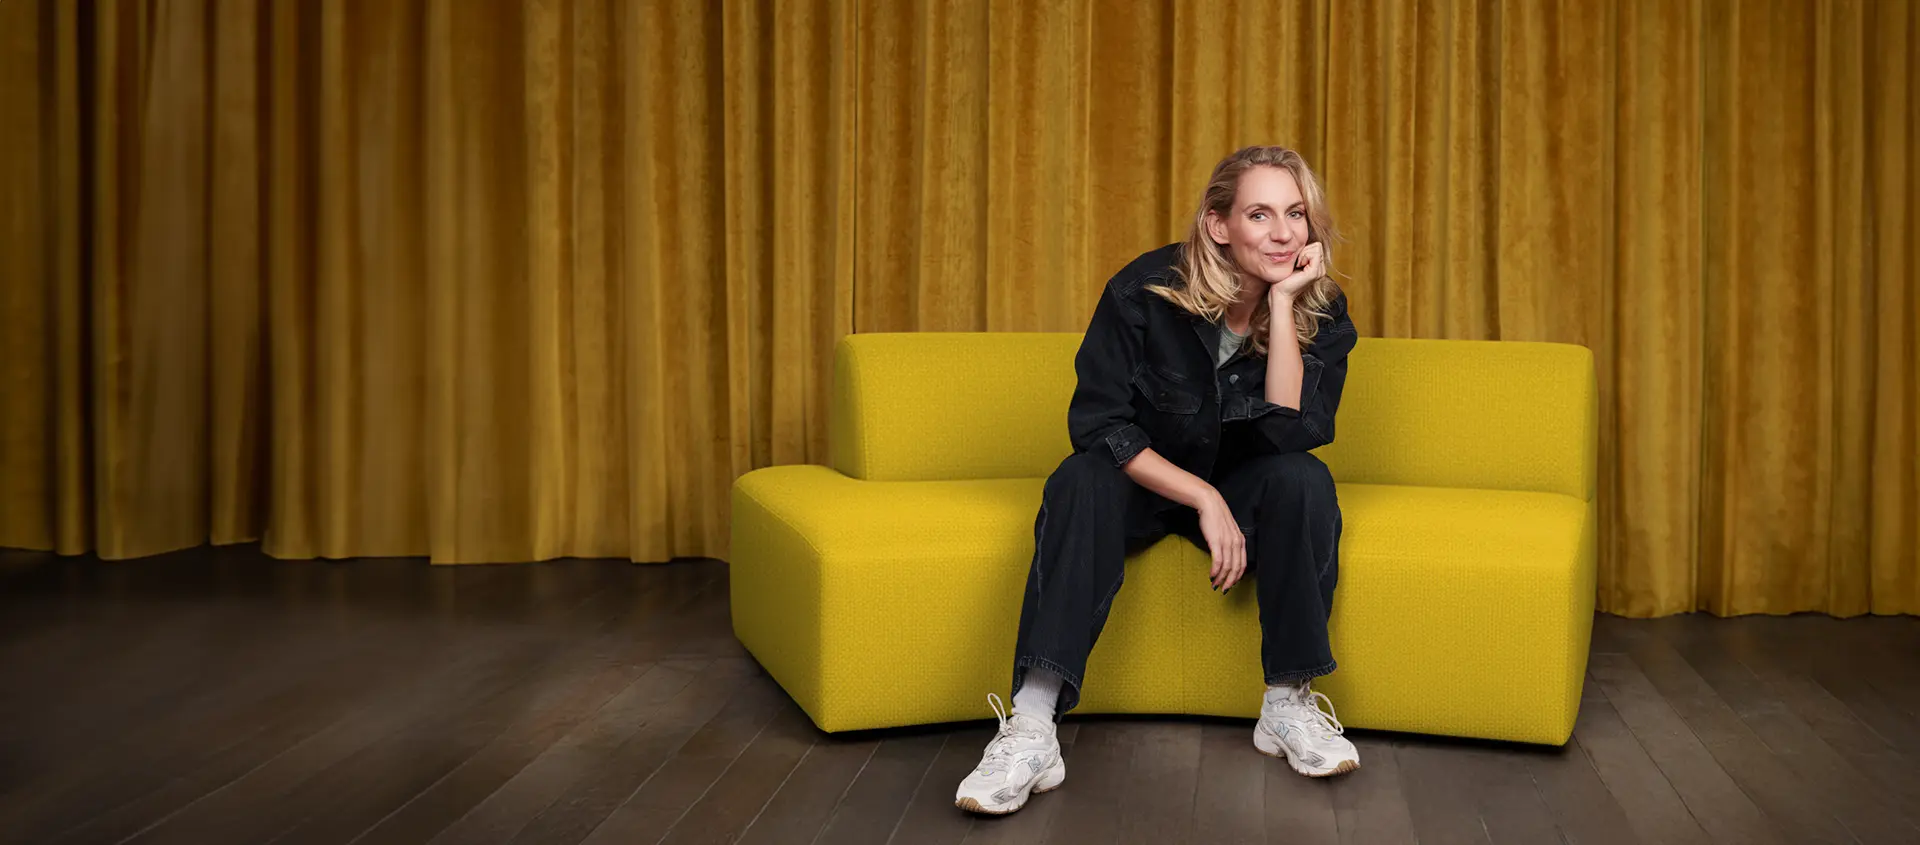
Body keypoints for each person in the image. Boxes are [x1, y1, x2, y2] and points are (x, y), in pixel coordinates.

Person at [954, 146, 1361, 815]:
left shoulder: (1321, 309)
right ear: (1217, 223)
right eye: (1260, 213)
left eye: (1296, 213)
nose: (1284, 232)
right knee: (1079, 479)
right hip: (1141, 482)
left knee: (1304, 480)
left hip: (1250, 486)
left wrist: (1285, 303)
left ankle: (1287, 701)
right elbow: (1100, 424)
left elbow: (1292, 429)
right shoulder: (1143, 292)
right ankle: (1031, 724)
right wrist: (1201, 495)